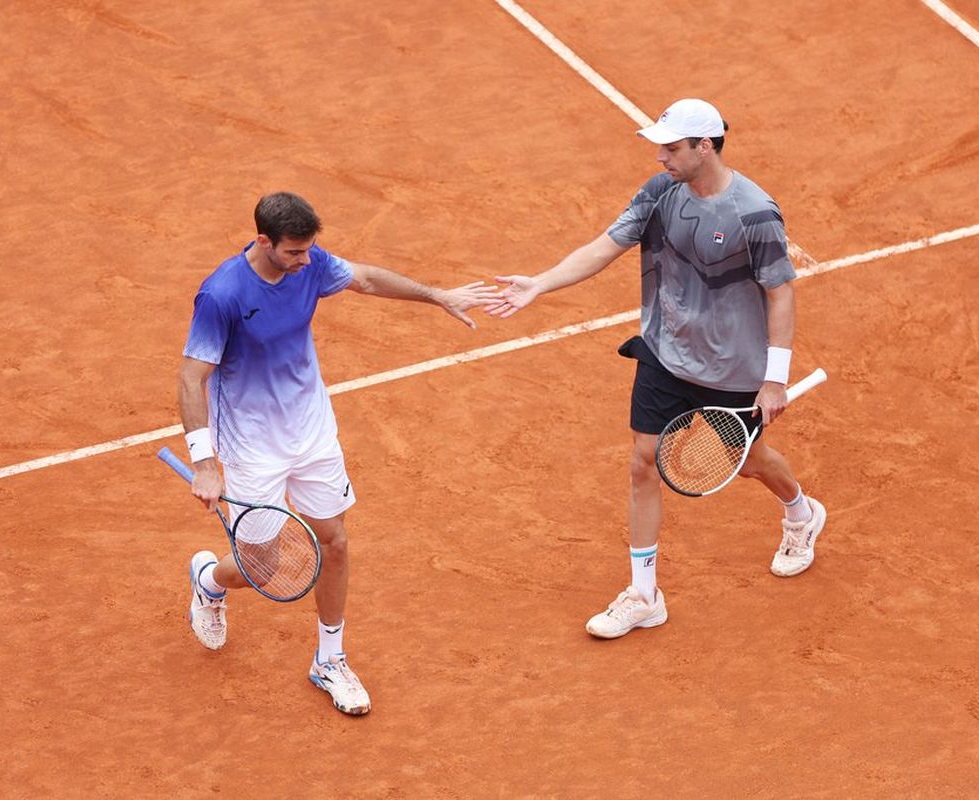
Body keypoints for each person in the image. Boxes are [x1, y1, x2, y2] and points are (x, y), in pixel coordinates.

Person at [485, 98, 826, 639]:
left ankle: (801, 513)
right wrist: (540, 283)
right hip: (664, 352)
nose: (661, 157)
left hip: (732, 368)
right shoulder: (659, 193)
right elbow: (605, 246)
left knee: (749, 462)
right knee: (644, 461)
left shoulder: (755, 213)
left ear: (704, 147)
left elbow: (780, 292)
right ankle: (644, 595)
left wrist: (775, 379)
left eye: (671, 148)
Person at [178, 191, 497, 714]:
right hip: (252, 448)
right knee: (262, 568)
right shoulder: (222, 295)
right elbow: (191, 377)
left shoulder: (311, 263)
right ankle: (210, 581)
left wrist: (437, 295)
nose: (307, 261)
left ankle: (330, 659)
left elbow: (365, 278)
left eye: (309, 250)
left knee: (336, 542)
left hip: (312, 434)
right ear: (263, 241)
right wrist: (205, 463)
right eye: (295, 252)